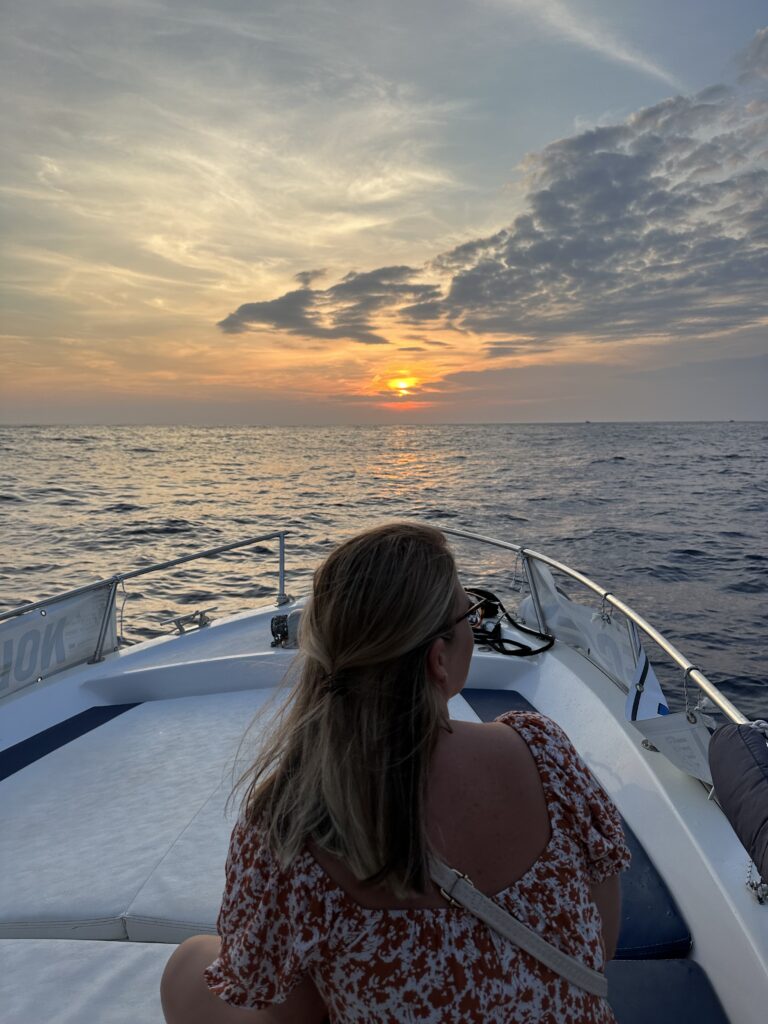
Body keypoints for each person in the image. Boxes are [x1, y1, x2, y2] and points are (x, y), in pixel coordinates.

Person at [161, 522, 630, 1023]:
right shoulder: (545, 755)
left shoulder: (289, 831)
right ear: (437, 661)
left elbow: (288, 1016)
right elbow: (599, 946)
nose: (476, 624)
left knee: (187, 967)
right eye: (470, 612)